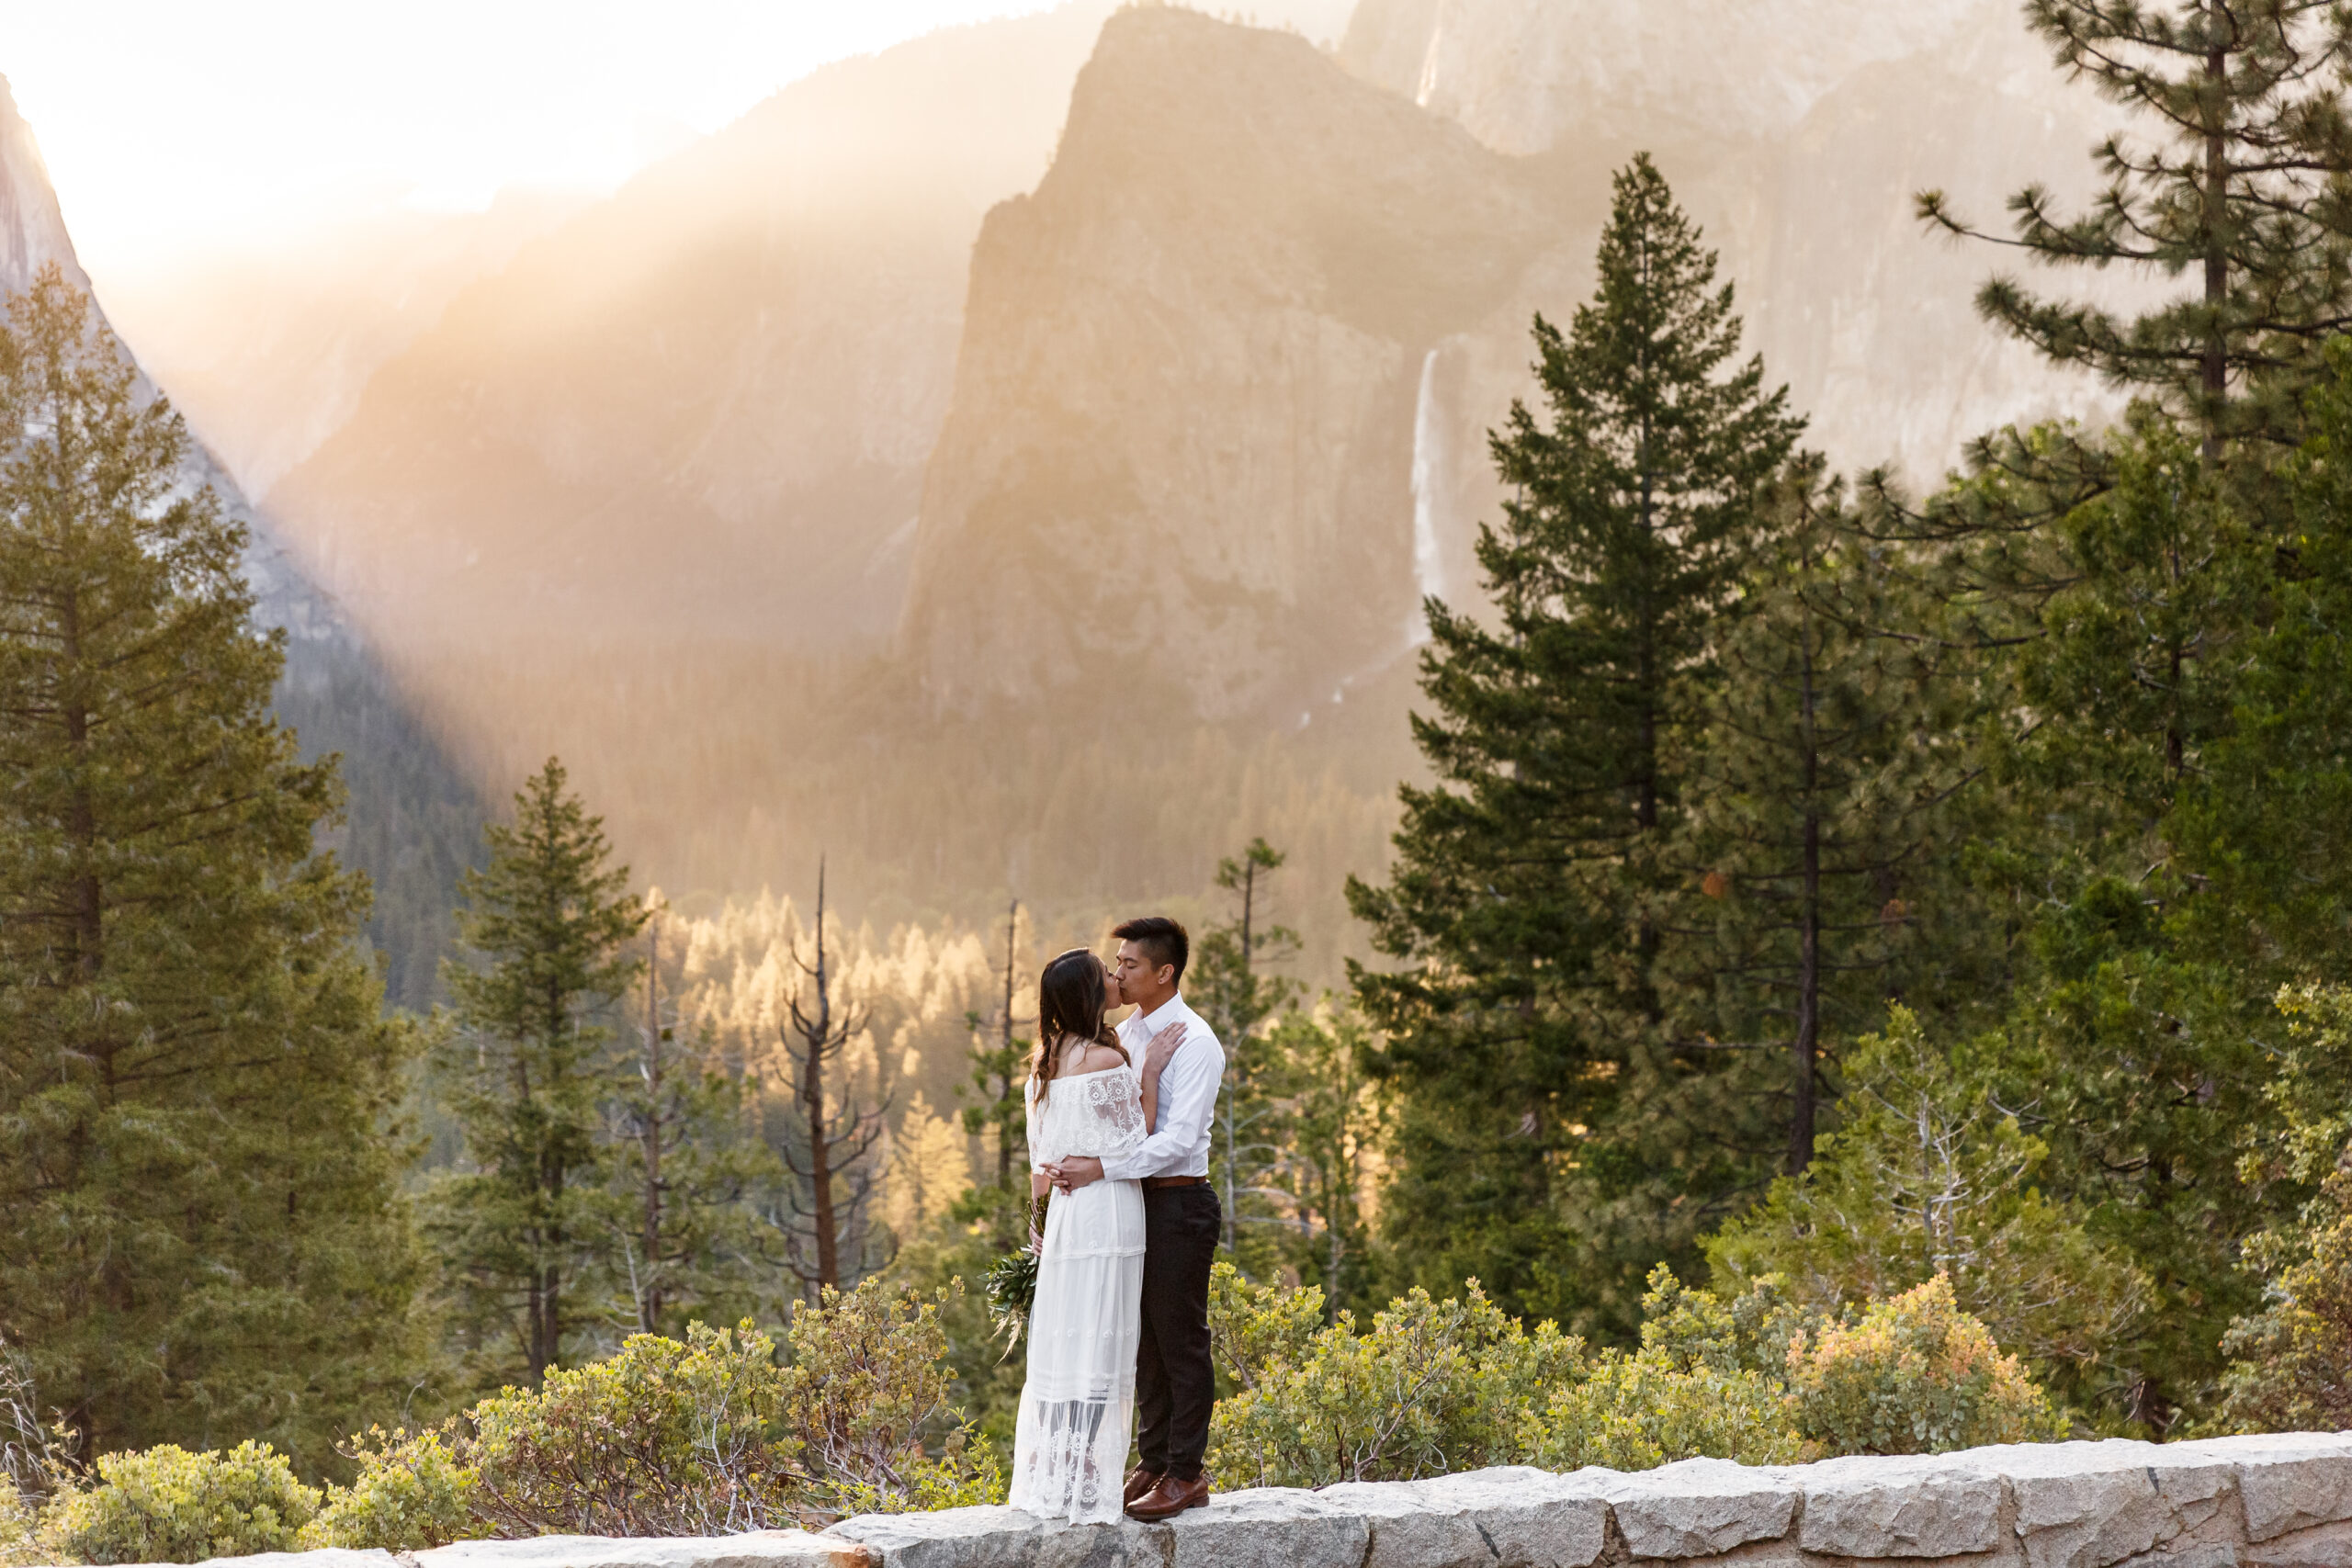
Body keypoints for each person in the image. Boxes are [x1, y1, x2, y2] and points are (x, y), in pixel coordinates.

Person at [1045, 916, 1224, 1522]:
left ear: (1164, 972)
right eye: (1115, 964)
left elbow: (1175, 1141)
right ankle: (1153, 1459)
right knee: (1143, 1336)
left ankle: (1187, 1472)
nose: (1117, 972)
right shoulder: (1126, 1034)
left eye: (1129, 965)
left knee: (1181, 1338)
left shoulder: (1196, 1042)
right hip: (1135, 1203)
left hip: (1179, 1201)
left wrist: (1101, 1167)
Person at [1006, 947, 1182, 1523]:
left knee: (1064, 1334)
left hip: (1062, 1218)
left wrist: (1039, 1231)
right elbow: (1142, 1142)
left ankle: (1058, 1468)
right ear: (1088, 993)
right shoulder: (1107, 1062)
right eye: (1104, 974)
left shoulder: (1041, 1063)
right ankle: (1085, 1469)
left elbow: (1039, 1168)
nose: (1115, 977)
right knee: (1104, 1334)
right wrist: (1148, 1071)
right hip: (1107, 1211)